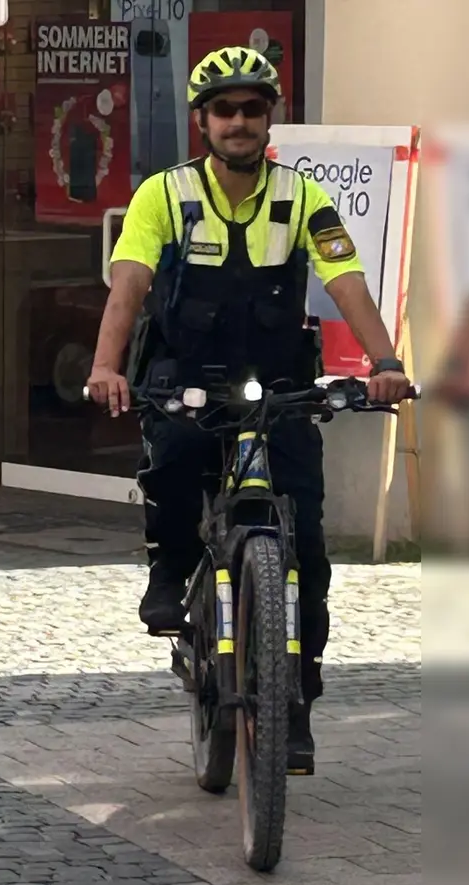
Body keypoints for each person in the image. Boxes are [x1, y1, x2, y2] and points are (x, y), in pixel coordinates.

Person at [86, 46, 413, 775]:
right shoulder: (165, 195)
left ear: (270, 119)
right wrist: (106, 367)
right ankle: (170, 572)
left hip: (279, 385)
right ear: (202, 120)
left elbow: (346, 279)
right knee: (174, 461)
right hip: (186, 380)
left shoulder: (303, 197)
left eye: (253, 109)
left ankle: (296, 699)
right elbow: (129, 283)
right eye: (225, 110)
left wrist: (385, 363)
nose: (239, 121)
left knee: (308, 546)